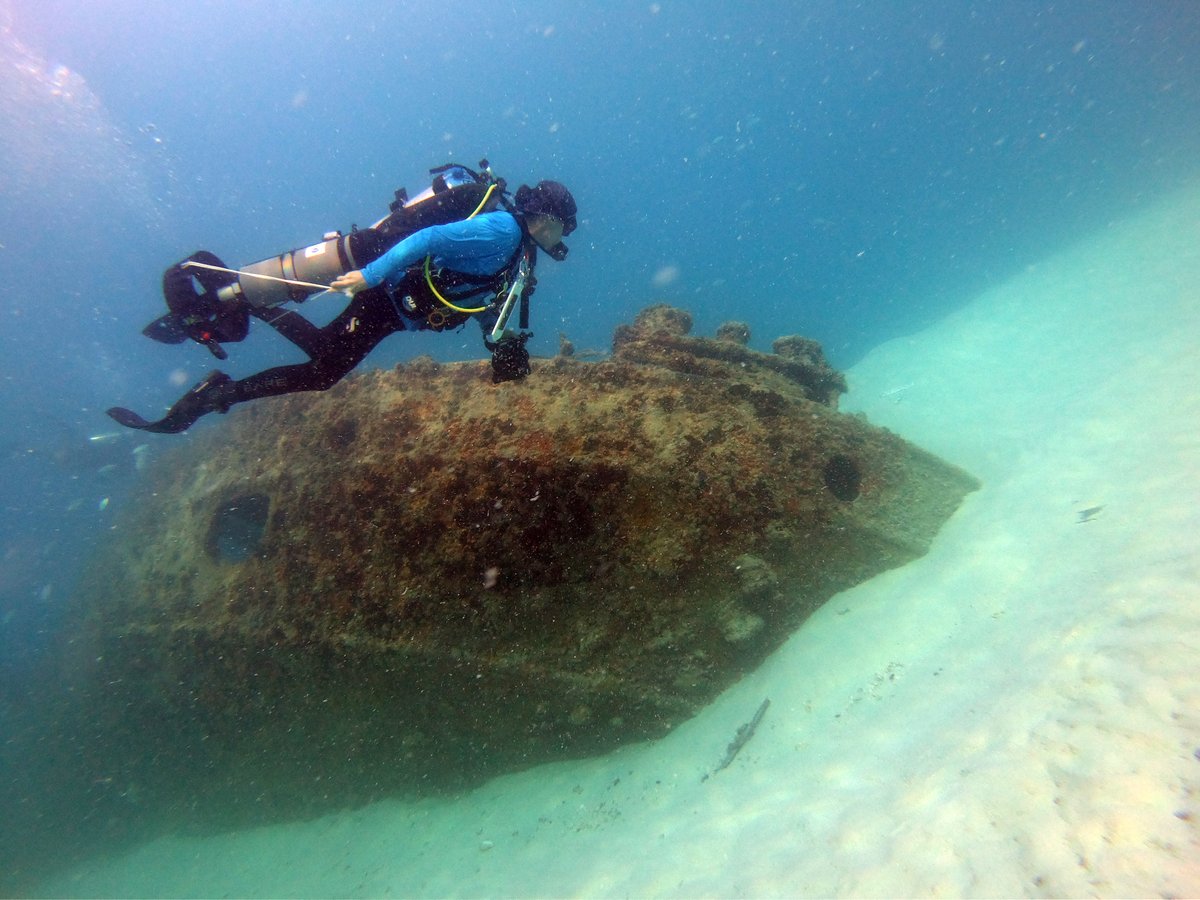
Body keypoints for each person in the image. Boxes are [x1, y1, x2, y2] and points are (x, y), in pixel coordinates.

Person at [107, 166, 578, 434]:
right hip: (387, 298)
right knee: (323, 369)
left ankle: (238, 348)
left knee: (323, 362)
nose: (563, 238)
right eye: (563, 227)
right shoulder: (502, 231)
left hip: (403, 313)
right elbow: (430, 238)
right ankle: (219, 393)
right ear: (547, 219)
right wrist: (368, 275)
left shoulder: (519, 254)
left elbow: (485, 297)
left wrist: (500, 342)